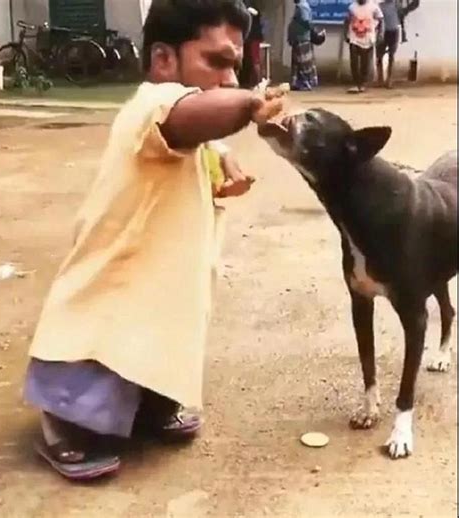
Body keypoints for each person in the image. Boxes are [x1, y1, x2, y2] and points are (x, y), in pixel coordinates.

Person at [23, 0, 284, 480]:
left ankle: (146, 405)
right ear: (164, 60)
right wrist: (250, 103)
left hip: (159, 293)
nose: (230, 79)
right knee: (98, 363)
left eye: (237, 68)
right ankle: (64, 421)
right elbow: (184, 118)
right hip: (109, 298)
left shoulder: (187, 126)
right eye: (218, 62)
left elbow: (194, 137)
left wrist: (221, 160)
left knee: (162, 340)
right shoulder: (149, 106)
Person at [344, 0, 384, 93]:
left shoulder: (374, 7)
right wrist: (345, 34)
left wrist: (380, 34)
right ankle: (356, 83)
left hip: (368, 39)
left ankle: (362, 83)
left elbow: (381, 20)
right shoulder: (352, 7)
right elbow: (346, 21)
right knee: (354, 62)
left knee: (365, 63)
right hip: (354, 38)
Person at [287, 0, 318, 91]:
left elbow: (306, 22)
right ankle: (298, 83)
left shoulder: (302, 7)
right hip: (299, 37)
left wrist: (314, 33)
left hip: (301, 38)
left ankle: (306, 83)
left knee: (303, 62)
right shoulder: (301, 6)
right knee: (298, 62)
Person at [376, 0, 401, 88]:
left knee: (391, 56)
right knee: (379, 56)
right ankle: (380, 79)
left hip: (393, 31)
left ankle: (389, 80)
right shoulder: (380, 6)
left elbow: (401, 15)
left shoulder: (397, 5)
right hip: (383, 32)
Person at [239, 4, 264, 88]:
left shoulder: (251, 9)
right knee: (249, 59)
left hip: (253, 37)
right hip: (249, 37)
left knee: (254, 60)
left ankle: (257, 83)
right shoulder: (246, 8)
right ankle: (249, 82)